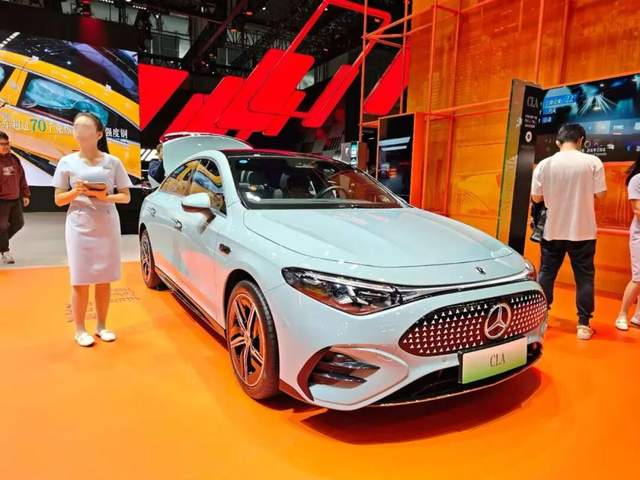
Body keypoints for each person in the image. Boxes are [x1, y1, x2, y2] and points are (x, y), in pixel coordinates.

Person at [52, 113, 133, 347]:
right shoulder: (67, 162)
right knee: (80, 279)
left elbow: (126, 196)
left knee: (104, 278)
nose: (79, 129)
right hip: (79, 224)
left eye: (85, 126)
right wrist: (75, 192)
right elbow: (58, 200)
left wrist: (105, 197)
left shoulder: (112, 162)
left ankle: (102, 326)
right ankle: (79, 329)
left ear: (98, 134)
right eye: (76, 126)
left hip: (106, 222)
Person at [531, 123, 607, 340]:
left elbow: (536, 197)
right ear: (581, 140)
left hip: (552, 230)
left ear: (558, 142)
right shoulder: (593, 162)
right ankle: (583, 325)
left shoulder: (545, 164)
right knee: (584, 278)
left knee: (547, 274)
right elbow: (601, 195)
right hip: (583, 231)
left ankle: (542, 319)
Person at [615, 155, 640, 330]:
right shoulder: (636, 180)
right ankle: (622, 314)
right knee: (638, 277)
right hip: (639, 235)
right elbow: (638, 210)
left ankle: (638, 316)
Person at [0, 131, 30, 264]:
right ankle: (5, 251)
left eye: (7, 144)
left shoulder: (14, 159)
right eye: (2, 144)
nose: (6, 146)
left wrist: (25, 194)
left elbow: (21, 177)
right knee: (2, 227)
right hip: (1, 201)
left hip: (15, 199)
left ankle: (1, 244)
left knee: (18, 223)